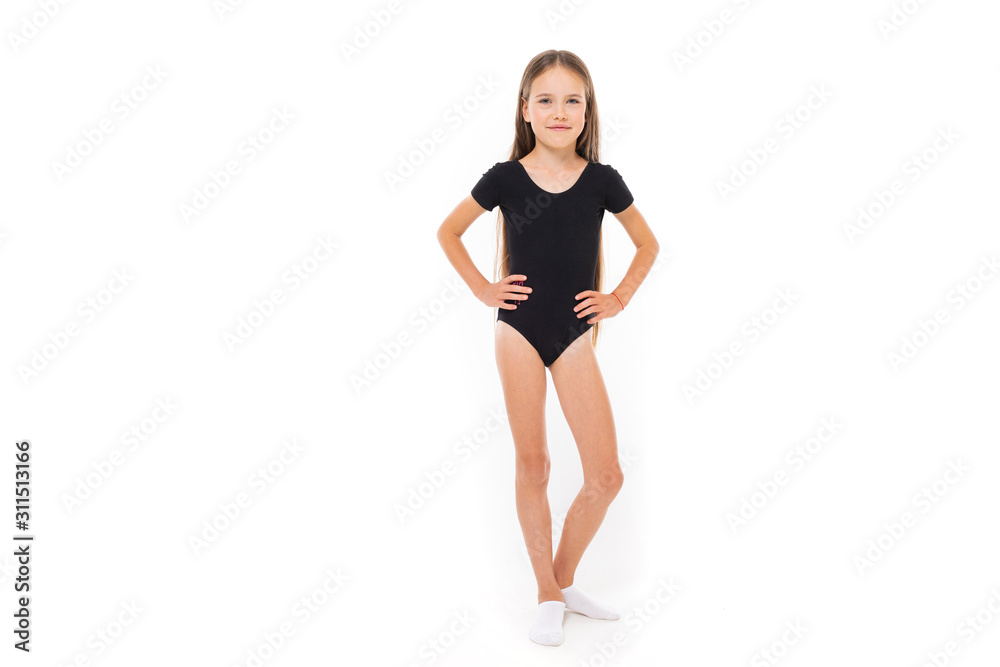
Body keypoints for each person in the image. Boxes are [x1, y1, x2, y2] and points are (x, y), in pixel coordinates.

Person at [436, 49, 658, 646]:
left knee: (605, 475)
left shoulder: (603, 180)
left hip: (575, 334)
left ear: (587, 111)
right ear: (526, 109)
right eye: (546, 99)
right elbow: (448, 232)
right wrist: (485, 289)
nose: (559, 111)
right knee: (534, 464)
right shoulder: (504, 178)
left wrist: (619, 297)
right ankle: (546, 595)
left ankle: (558, 586)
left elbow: (647, 245)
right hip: (519, 330)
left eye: (572, 100)